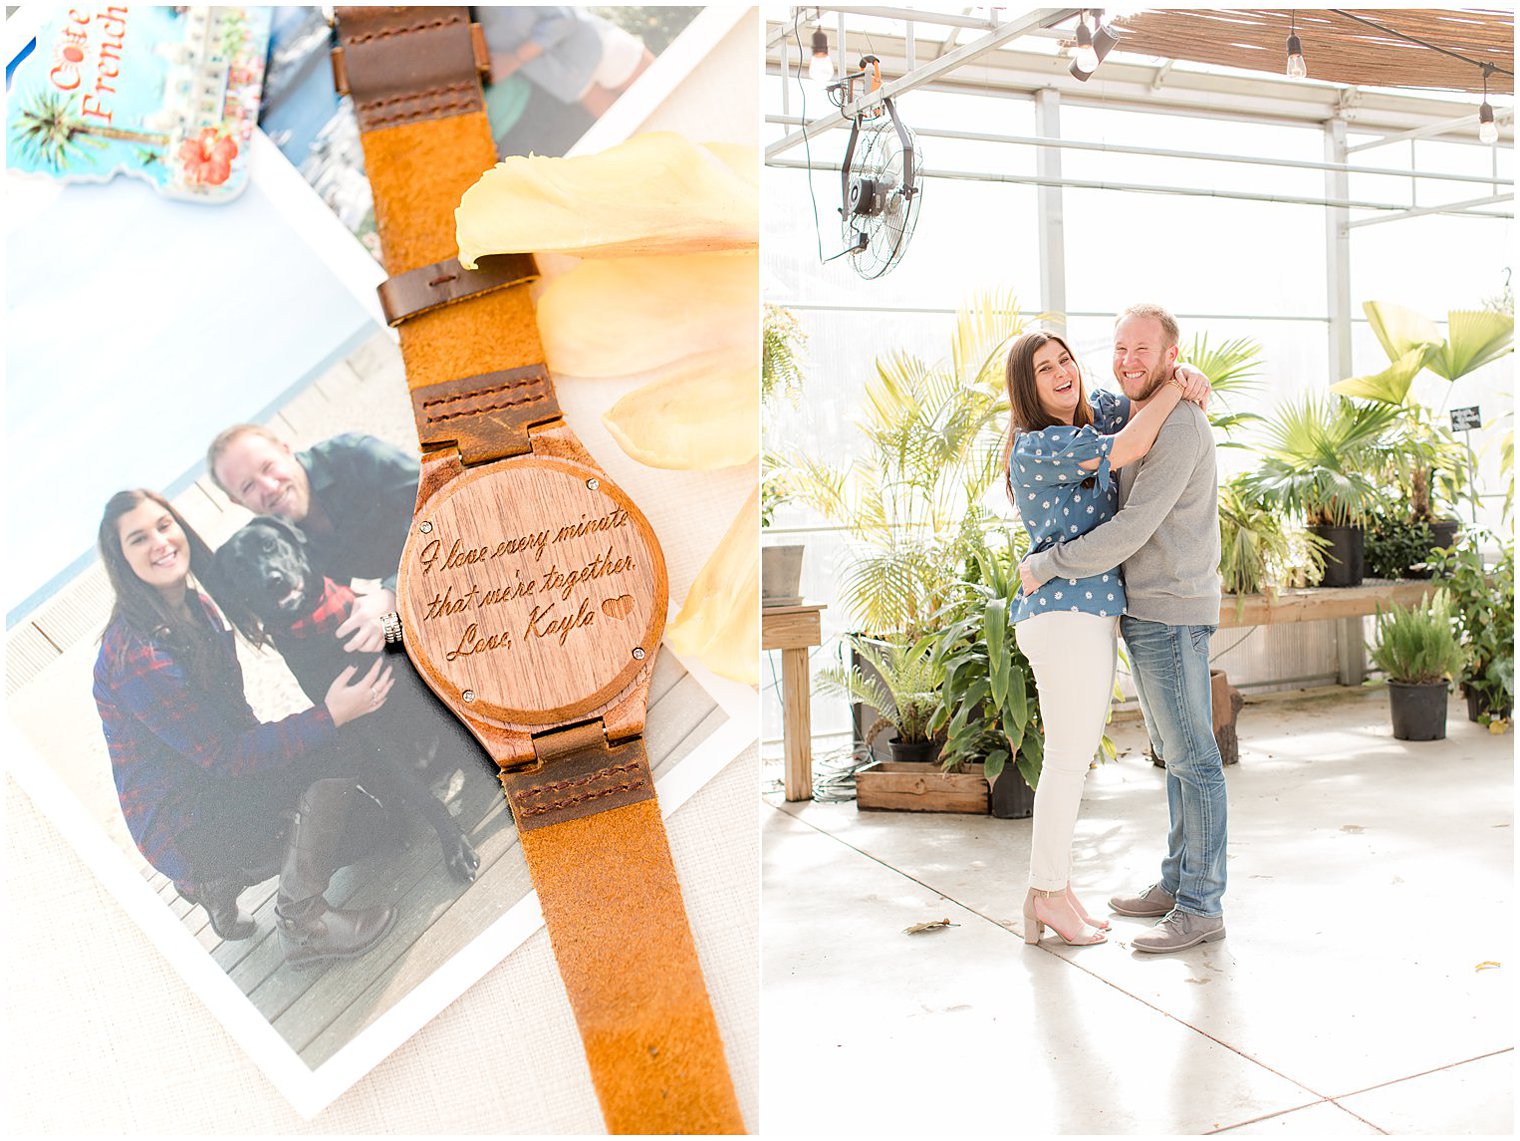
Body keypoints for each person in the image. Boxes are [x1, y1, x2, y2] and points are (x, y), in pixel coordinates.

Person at [92, 489, 399, 967]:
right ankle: (302, 922)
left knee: (379, 831)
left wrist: (385, 598)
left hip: (219, 787)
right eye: (138, 538)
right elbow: (226, 756)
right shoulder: (139, 658)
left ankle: (220, 885)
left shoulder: (197, 606)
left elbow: (237, 724)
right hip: (189, 824)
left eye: (164, 524)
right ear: (120, 559)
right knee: (337, 742)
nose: (159, 542)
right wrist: (330, 716)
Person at [1019, 303, 1227, 954]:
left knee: (1192, 757)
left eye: (1146, 350)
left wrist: (1181, 378)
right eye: (1119, 348)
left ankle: (1199, 903)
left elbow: (1132, 527)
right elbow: (1127, 439)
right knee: (1168, 753)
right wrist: (1171, 378)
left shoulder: (1164, 421)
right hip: (1114, 609)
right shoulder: (1097, 423)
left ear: (1168, 353)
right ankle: (1171, 882)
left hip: (1165, 606)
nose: (1127, 360)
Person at [207, 426, 417, 655]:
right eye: (248, 486)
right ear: (237, 501)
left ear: (287, 451)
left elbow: (455, 504)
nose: (270, 488)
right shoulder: (280, 544)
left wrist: (393, 593)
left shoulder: (355, 455)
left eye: (268, 467)